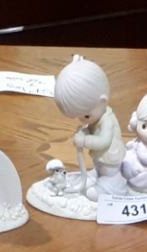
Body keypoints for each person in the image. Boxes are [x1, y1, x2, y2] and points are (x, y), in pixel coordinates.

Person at [52, 55, 125, 198]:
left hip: (111, 164)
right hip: (100, 161)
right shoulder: (96, 116)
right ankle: (97, 175)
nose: (82, 120)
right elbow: (92, 129)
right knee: (98, 169)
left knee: (101, 183)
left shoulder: (108, 120)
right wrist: (85, 131)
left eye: (85, 116)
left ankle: (114, 184)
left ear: (103, 101)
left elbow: (104, 141)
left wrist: (85, 141)